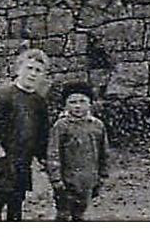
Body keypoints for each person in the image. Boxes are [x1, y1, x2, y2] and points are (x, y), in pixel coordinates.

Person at [0, 47, 52, 221]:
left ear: (43, 76)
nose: (32, 74)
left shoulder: (39, 103)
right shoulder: (4, 95)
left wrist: (44, 157)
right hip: (0, 162)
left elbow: (42, 134)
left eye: (38, 71)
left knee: (16, 206)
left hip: (22, 163)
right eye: (29, 68)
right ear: (19, 69)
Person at [46, 81, 110, 222]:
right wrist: (56, 180)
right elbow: (53, 153)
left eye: (82, 101)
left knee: (80, 214)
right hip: (66, 182)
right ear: (65, 104)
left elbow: (104, 153)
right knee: (63, 214)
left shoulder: (97, 126)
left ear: (90, 103)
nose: (77, 106)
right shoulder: (61, 126)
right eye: (72, 102)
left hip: (88, 181)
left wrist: (102, 176)